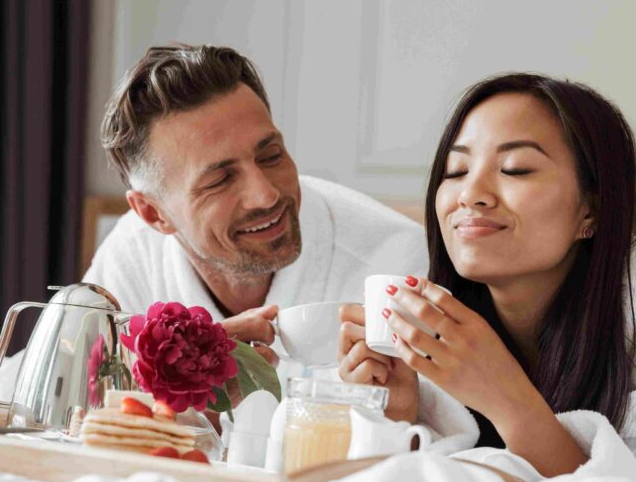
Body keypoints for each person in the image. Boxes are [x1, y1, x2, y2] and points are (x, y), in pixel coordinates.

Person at [338, 73, 636, 482]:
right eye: (456, 170)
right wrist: (397, 417)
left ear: (592, 210)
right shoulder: (432, 309)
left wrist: (506, 399)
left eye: (516, 168)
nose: (470, 194)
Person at [84, 43, 428, 419]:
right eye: (219, 180)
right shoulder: (133, 255)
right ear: (153, 213)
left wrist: (393, 418)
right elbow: (57, 418)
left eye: (271, 156)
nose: (266, 195)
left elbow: (448, 458)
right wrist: (195, 414)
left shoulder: (395, 265)